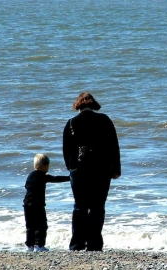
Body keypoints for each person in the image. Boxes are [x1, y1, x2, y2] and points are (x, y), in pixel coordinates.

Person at [63, 93, 121, 251]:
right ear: (93, 104)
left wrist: (72, 168)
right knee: (98, 207)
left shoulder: (71, 124)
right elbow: (113, 146)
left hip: (79, 170)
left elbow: (67, 151)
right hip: (101, 169)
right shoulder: (104, 120)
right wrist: (116, 169)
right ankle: (95, 244)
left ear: (78, 105)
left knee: (80, 207)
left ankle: (77, 244)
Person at [23, 153, 70, 252]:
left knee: (30, 226)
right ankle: (39, 246)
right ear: (46, 166)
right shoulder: (42, 176)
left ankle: (29, 246)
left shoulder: (30, 175)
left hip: (27, 204)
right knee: (42, 226)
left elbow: (26, 186)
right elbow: (55, 179)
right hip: (38, 205)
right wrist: (69, 178)